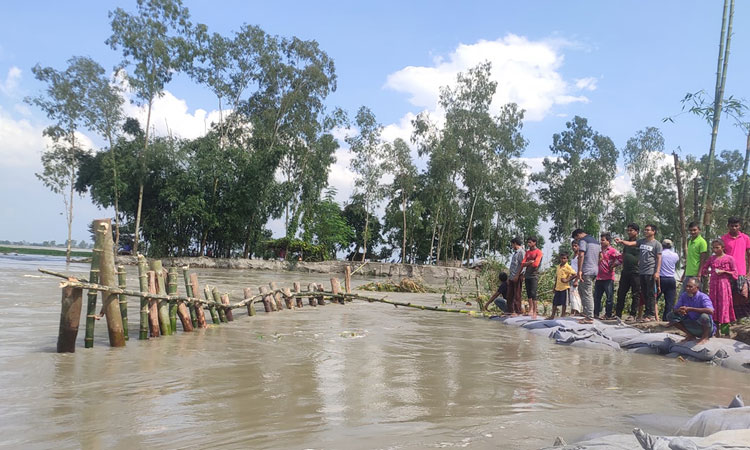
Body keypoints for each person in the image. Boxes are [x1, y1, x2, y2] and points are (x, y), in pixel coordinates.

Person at [616, 224, 661, 322]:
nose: (646, 231)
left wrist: (657, 272)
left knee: (649, 293)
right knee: (644, 293)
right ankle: (646, 314)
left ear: (653, 232)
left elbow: (659, 258)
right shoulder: (642, 242)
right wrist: (621, 241)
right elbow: (630, 244)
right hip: (641, 271)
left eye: (648, 230)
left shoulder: (657, 244)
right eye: (645, 230)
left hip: (649, 271)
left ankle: (651, 314)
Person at [699, 239, 738, 336]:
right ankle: (716, 332)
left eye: (717, 247)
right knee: (714, 307)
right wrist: (708, 272)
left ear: (723, 247)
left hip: (724, 285)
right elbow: (704, 268)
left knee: (724, 307)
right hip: (713, 286)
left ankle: (726, 333)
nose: (715, 250)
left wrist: (724, 272)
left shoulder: (729, 258)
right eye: (713, 248)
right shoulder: (712, 258)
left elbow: (735, 273)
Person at [667, 277, 715, 345]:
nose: (687, 288)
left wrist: (691, 309)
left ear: (697, 288)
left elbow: (711, 311)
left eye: (690, 287)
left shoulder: (703, 297)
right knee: (671, 315)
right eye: (687, 286)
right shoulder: (684, 295)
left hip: (704, 326)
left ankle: (705, 337)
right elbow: (675, 309)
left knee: (704, 316)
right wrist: (680, 310)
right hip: (692, 324)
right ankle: (690, 335)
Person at [572, 229, 601, 321]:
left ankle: (589, 316)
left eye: (576, 238)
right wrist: (594, 264)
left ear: (579, 235)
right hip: (594, 270)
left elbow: (581, 255)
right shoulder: (596, 242)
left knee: (587, 293)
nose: (577, 240)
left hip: (586, 271)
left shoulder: (583, 240)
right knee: (582, 290)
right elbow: (601, 257)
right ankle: (586, 312)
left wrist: (579, 271)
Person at [615, 224, 641, 320]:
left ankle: (633, 314)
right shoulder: (626, 243)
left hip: (636, 272)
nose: (629, 232)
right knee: (621, 293)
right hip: (625, 271)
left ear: (637, 232)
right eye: (628, 230)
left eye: (631, 230)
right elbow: (624, 255)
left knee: (635, 294)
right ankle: (618, 314)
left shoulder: (640, 242)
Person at [594, 232, 622, 319]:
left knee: (609, 297)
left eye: (603, 240)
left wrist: (613, 265)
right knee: (597, 297)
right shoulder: (598, 250)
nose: (601, 242)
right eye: (600, 240)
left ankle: (608, 314)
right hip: (599, 277)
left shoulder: (612, 251)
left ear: (608, 241)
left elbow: (621, 258)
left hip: (608, 277)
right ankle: (596, 314)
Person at [682, 222, 708, 291]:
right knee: (683, 297)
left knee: (696, 296)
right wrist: (684, 273)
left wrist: (699, 274)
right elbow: (689, 259)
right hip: (688, 273)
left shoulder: (702, 242)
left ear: (699, 230)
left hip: (696, 274)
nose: (692, 232)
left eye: (694, 230)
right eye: (690, 230)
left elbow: (703, 259)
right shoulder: (690, 241)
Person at [549, 252, 576, 319]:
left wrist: (567, 280)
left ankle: (562, 316)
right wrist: (554, 286)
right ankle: (552, 315)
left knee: (564, 303)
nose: (562, 260)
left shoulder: (568, 267)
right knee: (555, 302)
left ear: (567, 259)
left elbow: (575, 274)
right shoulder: (558, 266)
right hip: (558, 287)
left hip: (565, 288)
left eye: (564, 258)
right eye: (561, 258)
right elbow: (557, 277)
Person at [658, 239, 679, 321]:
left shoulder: (661, 254)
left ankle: (654, 316)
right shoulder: (675, 255)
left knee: (655, 298)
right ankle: (666, 318)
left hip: (661, 278)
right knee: (669, 301)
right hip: (671, 278)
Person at [522, 237, 543, 318]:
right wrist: (529, 262)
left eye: (530, 242)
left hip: (534, 274)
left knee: (533, 293)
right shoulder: (527, 252)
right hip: (527, 274)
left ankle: (535, 311)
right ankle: (530, 309)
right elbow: (523, 263)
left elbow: (536, 264)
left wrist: (529, 263)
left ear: (534, 243)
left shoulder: (538, 252)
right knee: (529, 293)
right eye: (528, 242)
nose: (528, 244)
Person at [507, 237, 525, 315]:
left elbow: (523, 265)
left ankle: (518, 311)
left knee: (517, 295)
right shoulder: (515, 253)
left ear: (515, 243)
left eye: (512, 244)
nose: (511, 246)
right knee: (509, 295)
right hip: (512, 276)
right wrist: (510, 277)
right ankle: (510, 311)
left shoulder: (521, 252)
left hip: (517, 276)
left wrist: (518, 275)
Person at [569, 240, 583, 315]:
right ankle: (574, 311)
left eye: (575, 246)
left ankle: (577, 311)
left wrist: (577, 280)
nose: (574, 247)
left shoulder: (579, 257)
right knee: (572, 295)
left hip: (576, 277)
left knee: (576, 295)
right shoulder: (573, 256)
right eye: (573, 246)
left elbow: (579, 269)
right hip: (572, 277)